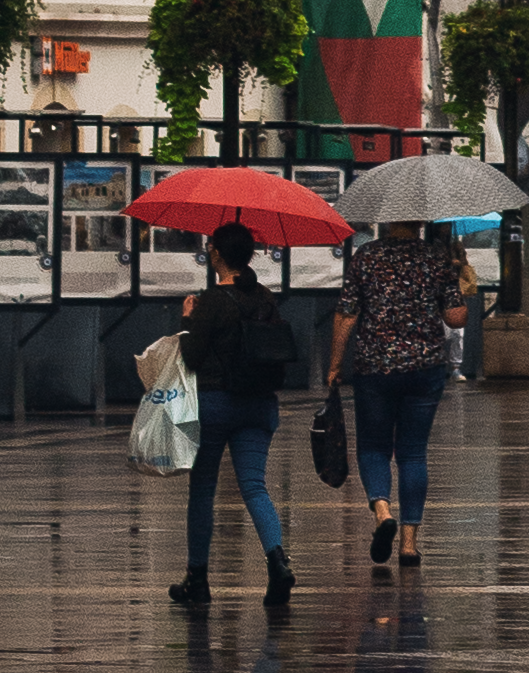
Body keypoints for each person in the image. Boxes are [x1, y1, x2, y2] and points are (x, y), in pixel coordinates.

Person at [169, 228, 299, 614]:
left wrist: (188, 318)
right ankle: (277, 562)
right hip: (259, 405)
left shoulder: (211, 301)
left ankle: (198, 578)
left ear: (216, 253)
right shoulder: (264, 297)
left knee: (203, 489)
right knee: (255, 487)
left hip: (215, 404)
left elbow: (191, 356)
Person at [330, 218, 462, 568]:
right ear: (419, 221)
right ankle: (408, 545)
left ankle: (382, 511)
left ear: (387, 221)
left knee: (373, 447)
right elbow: (456, 318)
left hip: (374, 367)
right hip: (424, 367)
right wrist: (455, 283)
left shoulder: (365, 257)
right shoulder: (437, 259)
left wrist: (334, 363)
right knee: (413, 454)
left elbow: (346, 313)